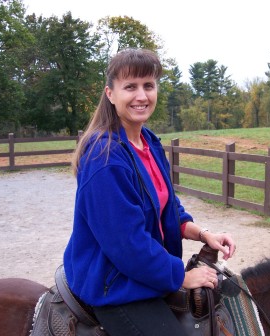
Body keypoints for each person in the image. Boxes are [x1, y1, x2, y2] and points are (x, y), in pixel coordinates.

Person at [63, 48, 236, 336]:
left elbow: (166, 206)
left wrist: (203, 234)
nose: (141, 96)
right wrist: (181, 276)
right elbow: (127, 244)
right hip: (113, 281)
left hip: (141, 270)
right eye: (130, 87)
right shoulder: (103, 158)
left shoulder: (149, 142)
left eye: (148, 85)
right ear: (110, 93)